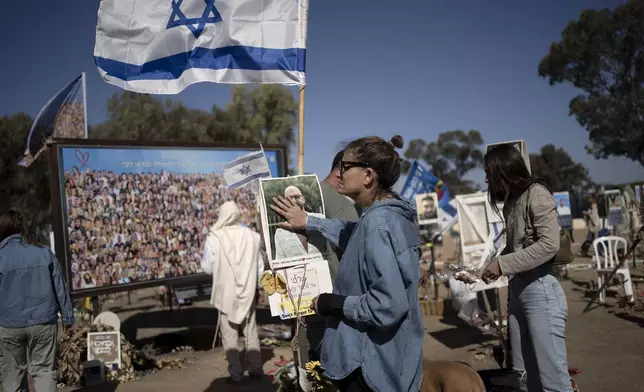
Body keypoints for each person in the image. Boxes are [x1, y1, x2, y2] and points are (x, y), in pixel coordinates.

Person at [271, 135, 423, 392]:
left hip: (371, 366)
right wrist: (309, 221)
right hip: (393, 360)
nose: (338, 173)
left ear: (368, 176)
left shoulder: (378, 223)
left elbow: (386, 305)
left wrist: (335, 303)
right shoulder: (386, 216)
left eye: (344, 166)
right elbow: (351, 231)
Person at [462, 144, 573, 392]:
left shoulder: (537, 194)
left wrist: (502, 264)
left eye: (489, 171)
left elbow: (549, 245)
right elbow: (515, 251)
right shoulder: (512, 202)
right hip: (519, 293)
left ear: (504, 169)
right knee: (525, 378)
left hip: (540, 292)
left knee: (553, 381)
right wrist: (483, 272)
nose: (486, 177)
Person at [0, 209, 75, 392]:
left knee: (12, 376)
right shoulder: (44, 253)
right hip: (43, 322)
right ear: (22, 228)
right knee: (44, 372)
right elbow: (60, 287)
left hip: (8, 325)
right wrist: (68, 318)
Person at [306, 149, 362, 361]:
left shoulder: (317, 194)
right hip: (333, 302)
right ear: (342, 170)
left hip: (317, 301)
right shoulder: (335, 201)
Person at [201, 201, 265, 385]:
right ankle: (255, 369)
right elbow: (259, 269)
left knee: (229, 335)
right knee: (250, 330)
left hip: (225, 293)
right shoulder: (252, 236)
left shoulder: (214, 238)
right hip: (248, 292)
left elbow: (207, 267)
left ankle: (236, 374)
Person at [273, 185, 326, 259]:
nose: (294, 201)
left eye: (296, 197)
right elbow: (280, 261)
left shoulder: (320, 218)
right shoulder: (280, 232)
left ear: (303, 199)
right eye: (289, 199)